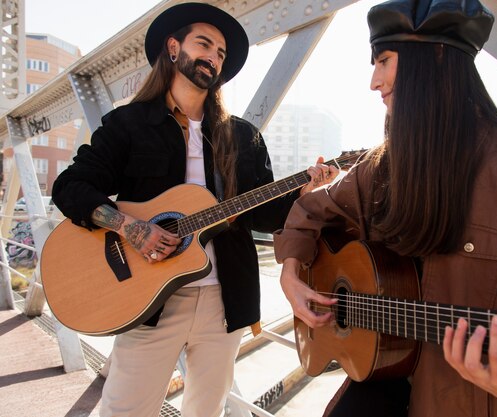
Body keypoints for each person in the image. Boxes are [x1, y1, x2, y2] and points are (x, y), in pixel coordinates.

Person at [273, 0, 497, 416]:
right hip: (380, 384)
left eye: (384, 60)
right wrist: (291, 272)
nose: (374, 81)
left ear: (435, 57)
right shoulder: (380, 168)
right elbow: (313, 209)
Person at [51, 3, 338, 416]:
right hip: (149, 302)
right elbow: (70, 187)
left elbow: (264, 217)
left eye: (221, 52)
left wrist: (305, 191)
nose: (213, 56)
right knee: (124, 411)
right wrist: (131, 227)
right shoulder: (127, 125)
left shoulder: (242, 136)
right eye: (204, 44)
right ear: (173, 48)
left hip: (226, 301)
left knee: (208, 411)